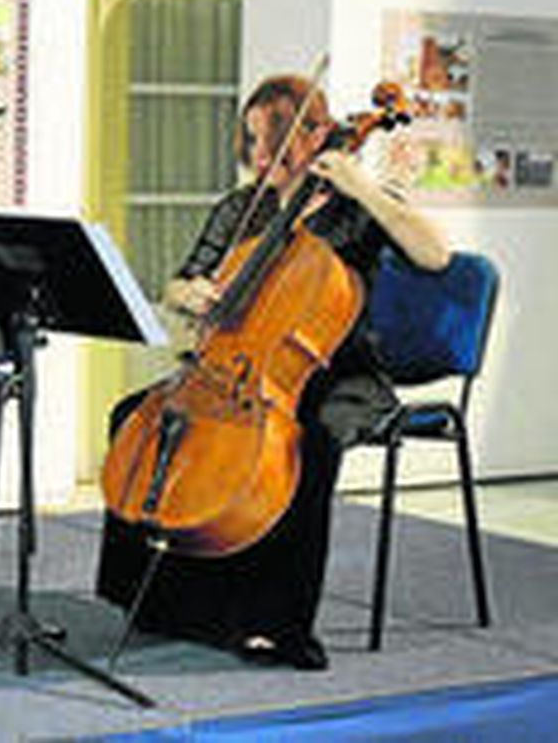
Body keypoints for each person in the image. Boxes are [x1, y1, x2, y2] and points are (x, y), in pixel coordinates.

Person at [95, 73, 450, 671]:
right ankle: (158, 603)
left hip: (338, 371)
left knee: (309, 443)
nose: (258, 157)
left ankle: (279, 624)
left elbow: (434, 255)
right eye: (252, 141)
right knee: (131, 415)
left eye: (272, 142)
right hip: (237, 369)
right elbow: (181, 280)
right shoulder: (243, 207)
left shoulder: (355, 208)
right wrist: (192, 294)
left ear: (313, 138)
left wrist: (365, 188)